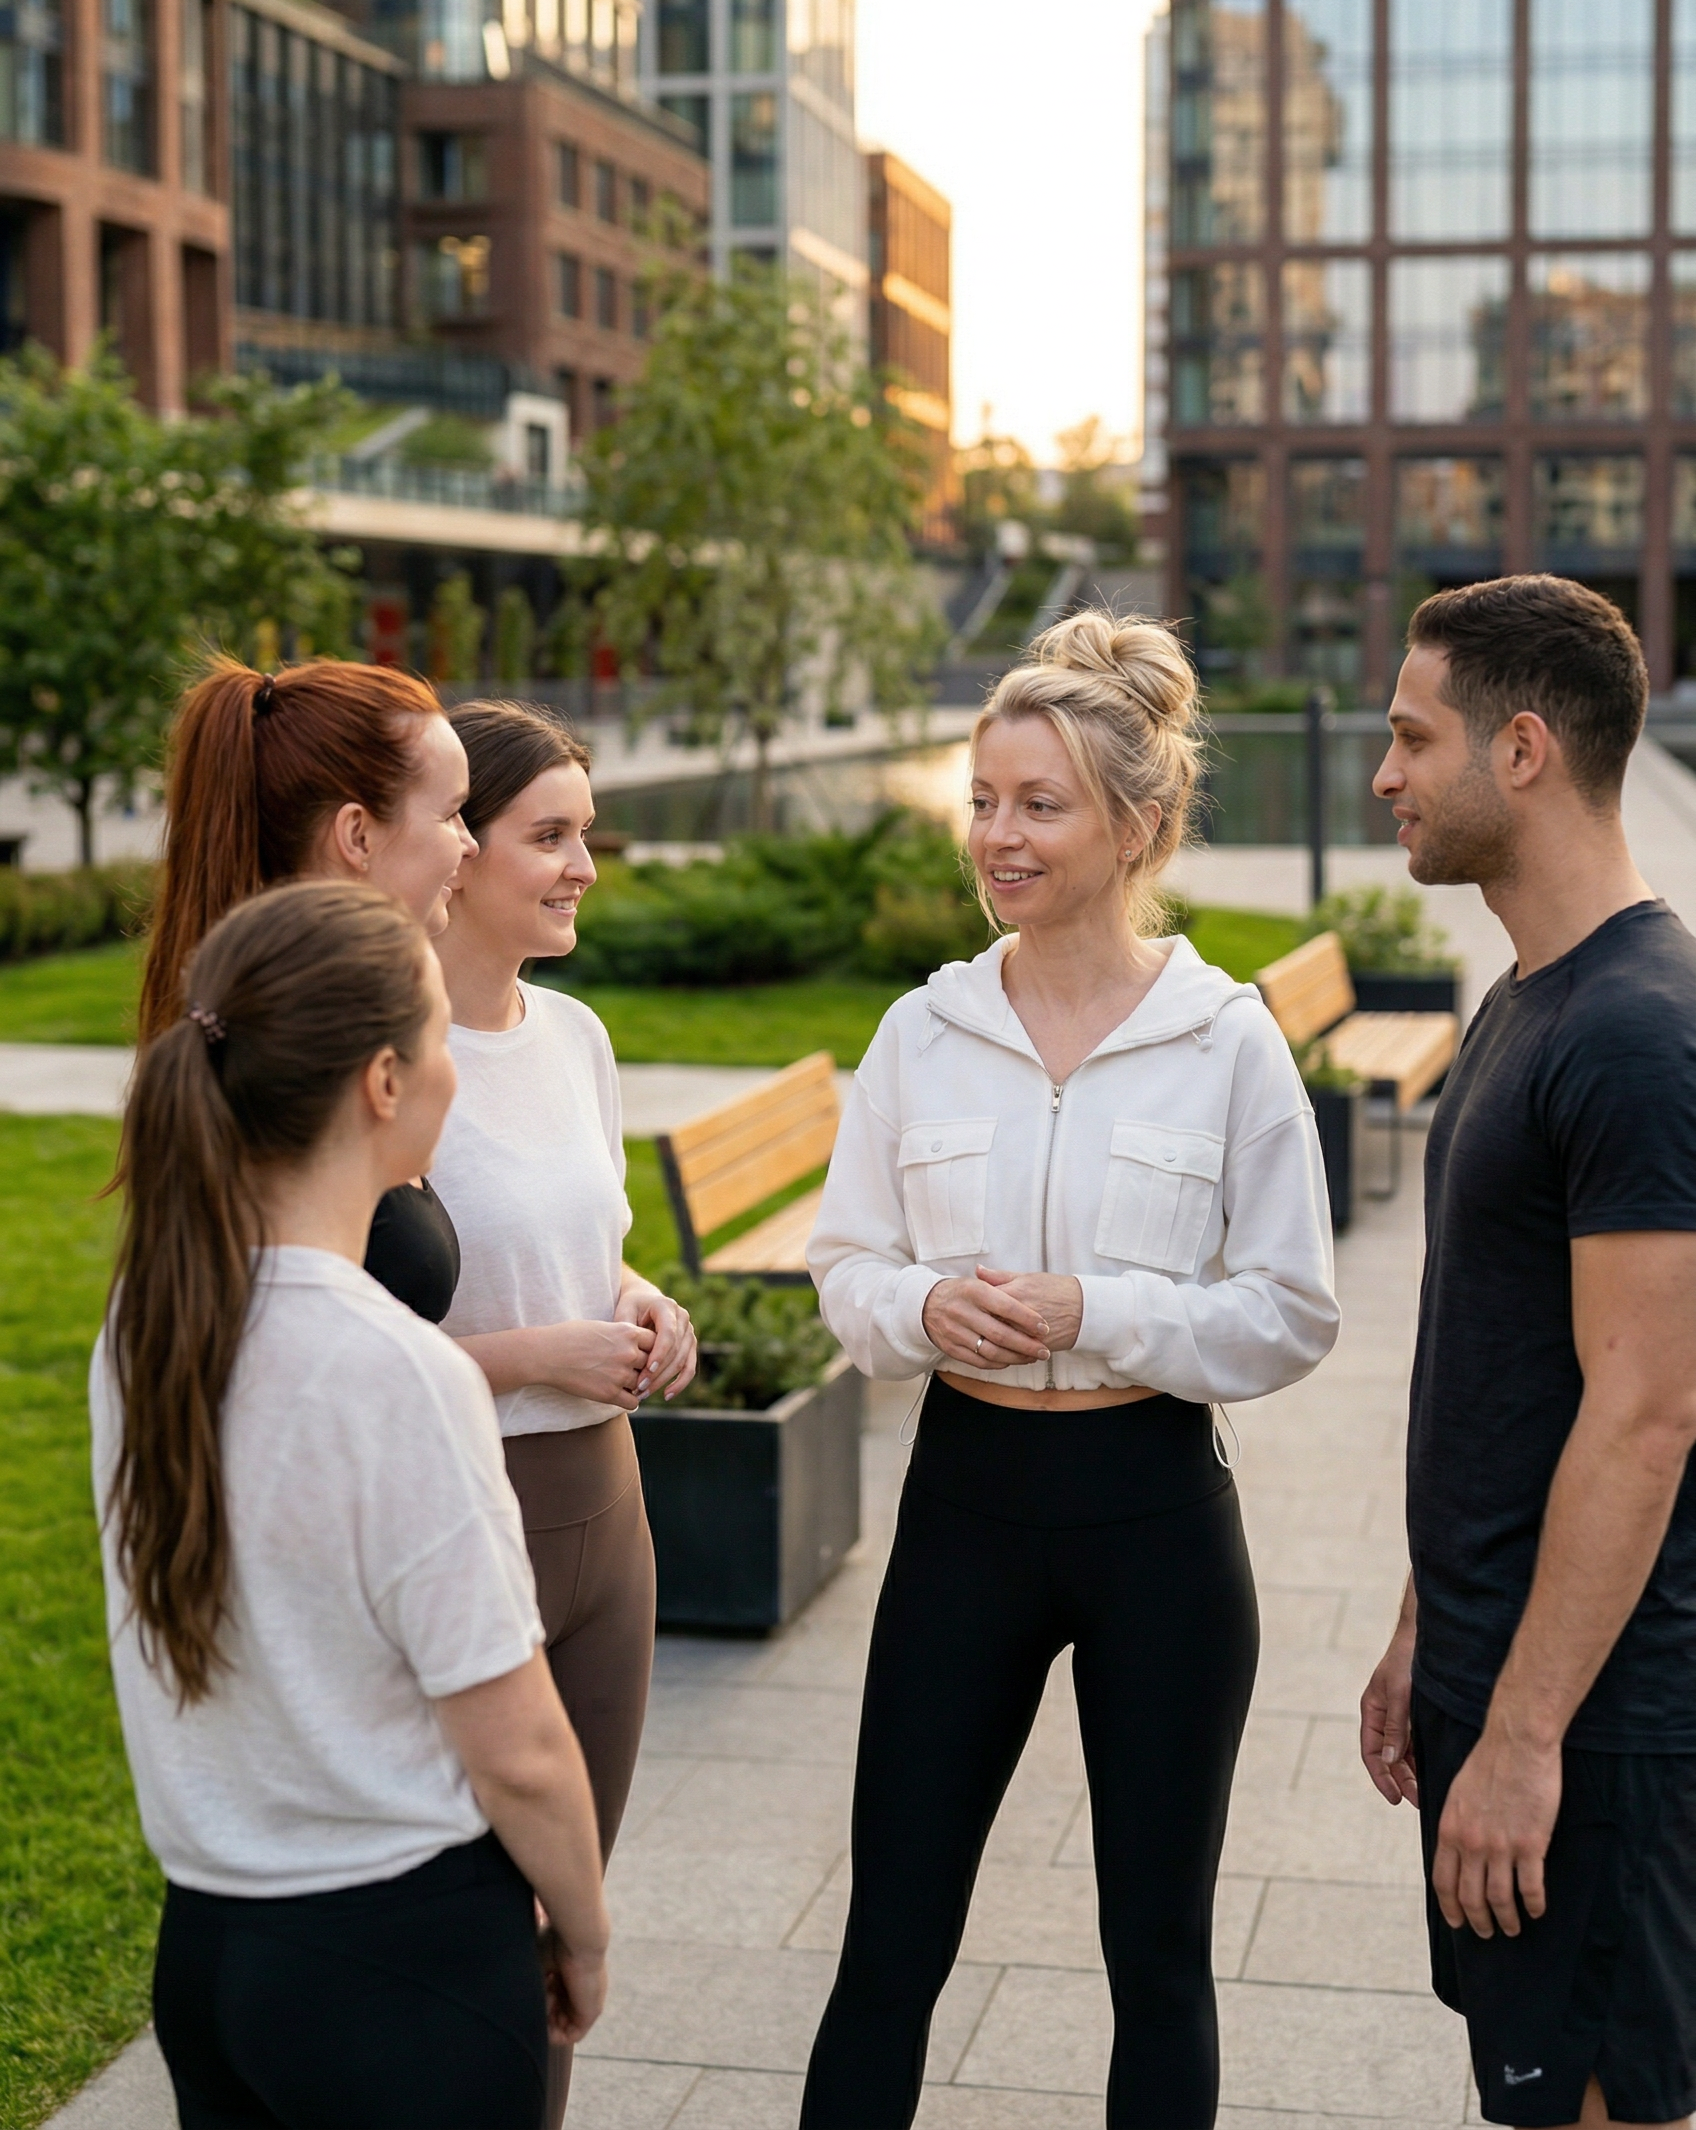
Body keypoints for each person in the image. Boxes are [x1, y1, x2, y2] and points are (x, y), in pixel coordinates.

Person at [799, 611, 1339, 2130]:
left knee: (1157, 1953)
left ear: (1140, 825)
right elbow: (847, 1268)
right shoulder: (925, 1029)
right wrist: (921, 1312)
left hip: (1155, 1516)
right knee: (889, 1942)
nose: (997, 835)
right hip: (965, 1508)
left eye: (1040, 804)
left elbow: (1292, 1310)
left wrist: (1096, 1311)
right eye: (982, 797)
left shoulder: (1227, 1041)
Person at [93, 879, 610, 2130]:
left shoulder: (150, 1325)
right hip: (398, 1965)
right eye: (439, 1040)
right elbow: (523, 1746)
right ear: (385, 1082)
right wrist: (584, 1932)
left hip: (211, 1951)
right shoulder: (398, 1371)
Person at [1359, 575, 1696, 2130]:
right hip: (1503, 1678)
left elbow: (1647, 1417)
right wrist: (1433, 1618)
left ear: (1522, 752)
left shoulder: (1637, 1030)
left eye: (1411, 738)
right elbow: (1503, 1371)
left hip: (1603, 1729)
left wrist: (1525, 1735)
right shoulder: (1530, 1001)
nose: (1383, 777)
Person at [430, 698, 696, 2124]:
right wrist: (539, 1353)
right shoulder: (386, 1056)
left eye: (588, 834)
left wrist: (644, 1300)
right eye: (550, 836)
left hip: (612, 1524)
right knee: (467, 1923)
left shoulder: (577, 1035)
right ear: (450, 850)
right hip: (473, 1518)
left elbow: (585, 1241)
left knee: (565, 1914)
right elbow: (329, 1357)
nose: (585, 864)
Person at [139, 656, 477, 1321]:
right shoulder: (290, 1064)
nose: (468, 844)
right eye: (452, 815)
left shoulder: (284, 1028)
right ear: (356, 835)